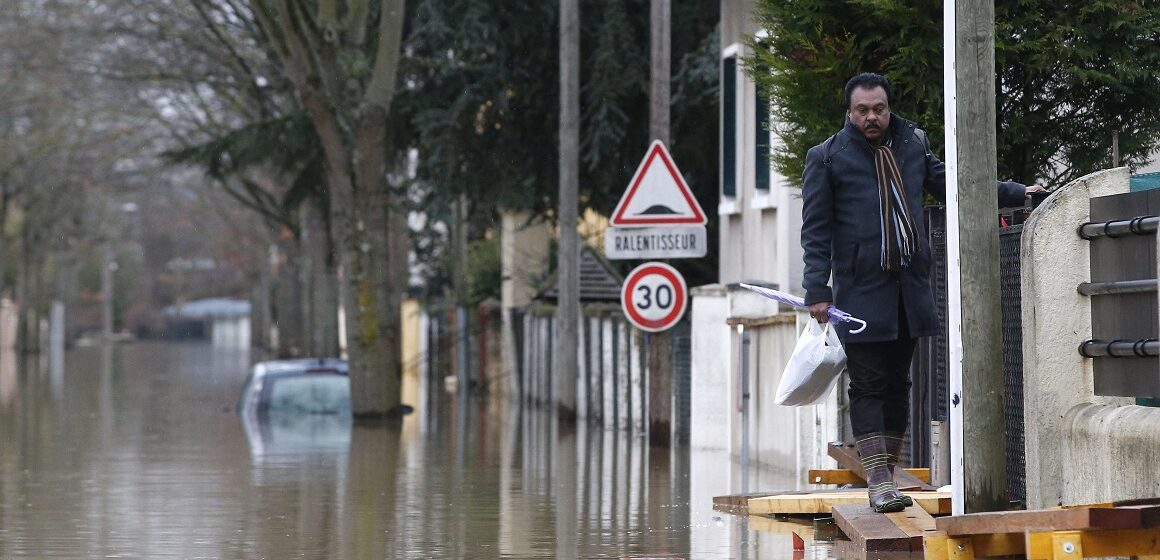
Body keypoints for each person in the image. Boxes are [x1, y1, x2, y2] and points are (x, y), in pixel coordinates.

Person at [799, 72, 1042, 513]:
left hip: (908, 289)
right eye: (862, 110)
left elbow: (954, 185)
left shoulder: (911, 145)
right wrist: (818, 289)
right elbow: (815, 231)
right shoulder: (828, 158)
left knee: (898, 383)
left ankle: (887, 475)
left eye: (878, 109)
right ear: (849, 113)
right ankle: (878, 482)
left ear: (888, 108)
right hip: (859, 292)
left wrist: (1013, 192)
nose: (871, 117)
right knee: (868, 384)